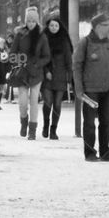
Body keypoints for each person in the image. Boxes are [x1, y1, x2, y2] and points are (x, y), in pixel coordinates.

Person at [72, 13, 109, 162]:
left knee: (106, 122)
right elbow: (77, 66)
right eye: (106, 25)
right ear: (97, 27)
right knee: (89, 123)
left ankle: (105, 152)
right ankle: (90, 153)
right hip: (89, 91)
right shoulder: (84, 43)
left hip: (108, 89)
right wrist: (79, 89)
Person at [11, 6, 51, 140]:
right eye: (29, 21)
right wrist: (19, 61)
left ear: (37, 21)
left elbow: (47, 56)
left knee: (34, 101)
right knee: (22, 102)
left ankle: (32, 130)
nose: (31, 23)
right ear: (25, 21)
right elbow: (12, 53)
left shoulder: (42, 36)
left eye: (33, 21)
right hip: (22, 72)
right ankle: (23, 121)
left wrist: (37, 64)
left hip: (36, 73)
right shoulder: (19, 34)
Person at [41, 11, 72, 139]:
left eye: (56, 26)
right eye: (51, 25)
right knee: (48, 102)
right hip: (46, 76)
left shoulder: (64, 41)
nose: (54, 28)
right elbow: (39, 57)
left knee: (57, 104)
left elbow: (68, 60)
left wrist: (69, 79)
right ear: (48, 26)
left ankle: (54, 129)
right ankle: (46, 125)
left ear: (60, 27)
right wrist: (46, 71)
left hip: (60, 76)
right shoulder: (43, 39)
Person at [0, 35, 11, 109]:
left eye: (3, 43)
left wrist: (8, 70)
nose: (3, 44)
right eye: (1, 43)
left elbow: (8, 62)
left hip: (2, 72)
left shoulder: (5, 51)